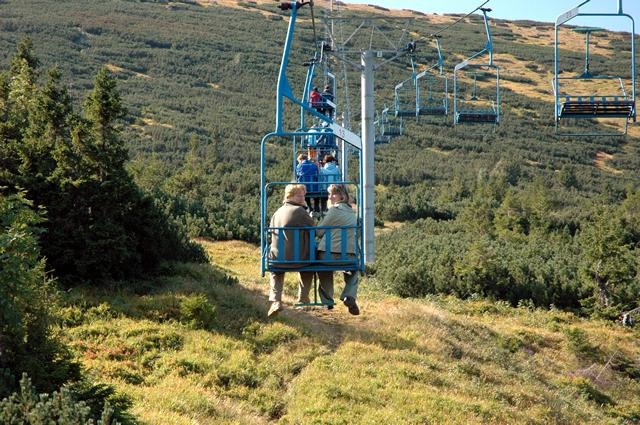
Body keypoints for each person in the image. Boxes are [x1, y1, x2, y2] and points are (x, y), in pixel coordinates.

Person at [267, 184, 316, 317]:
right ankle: (303, 299)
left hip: (278, 259)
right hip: (299, 259)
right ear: (290, 196)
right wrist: (305, 208)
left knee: (276, 272)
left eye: (303, 195)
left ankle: (276, 301)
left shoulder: (277, 213)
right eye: (299, 195)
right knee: (308, 270)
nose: (302, 198)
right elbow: (314, 227)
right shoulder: (300, 211)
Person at [315, 184, 360, 315]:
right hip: (349, 256)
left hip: (328, 256)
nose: (329, 197)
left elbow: (319, 232)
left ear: (342, 195)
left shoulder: (334, 211)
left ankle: (327, 301)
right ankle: (349, 295)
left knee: (323, 269)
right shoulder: (353, 212)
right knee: (354, 270)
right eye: (329, 194)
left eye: (332, 194)